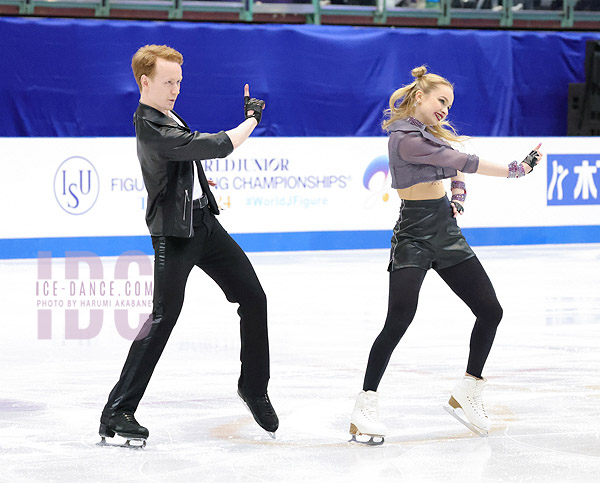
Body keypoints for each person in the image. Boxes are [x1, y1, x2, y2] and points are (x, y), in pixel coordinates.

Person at [349, 65, 542, 443]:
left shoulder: (428, 135)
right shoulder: (403, 139)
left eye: (449, 105)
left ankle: (468, 391)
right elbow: (460, 162)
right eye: (441, 101)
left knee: (491, 310)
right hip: (414, 235)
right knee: (399, 318)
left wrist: (458, 198)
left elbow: (455, 170)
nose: (445, 110)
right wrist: (516, 170)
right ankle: (364, 405)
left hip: (445, 230)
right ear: (419, 96)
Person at [99, 44, 278, 447]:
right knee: (163, 317)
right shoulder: (150, 124)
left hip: (204, 225)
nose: (176, 89)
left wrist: (194, 185)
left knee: (253, 298)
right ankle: (118, 410)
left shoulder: (165, 114)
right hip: (175, 235)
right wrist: (251, 120)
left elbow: (184, 157)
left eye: (179, 81)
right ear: (145, 82)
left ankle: (253, 387)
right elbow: (213, 146)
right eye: (168, 82)